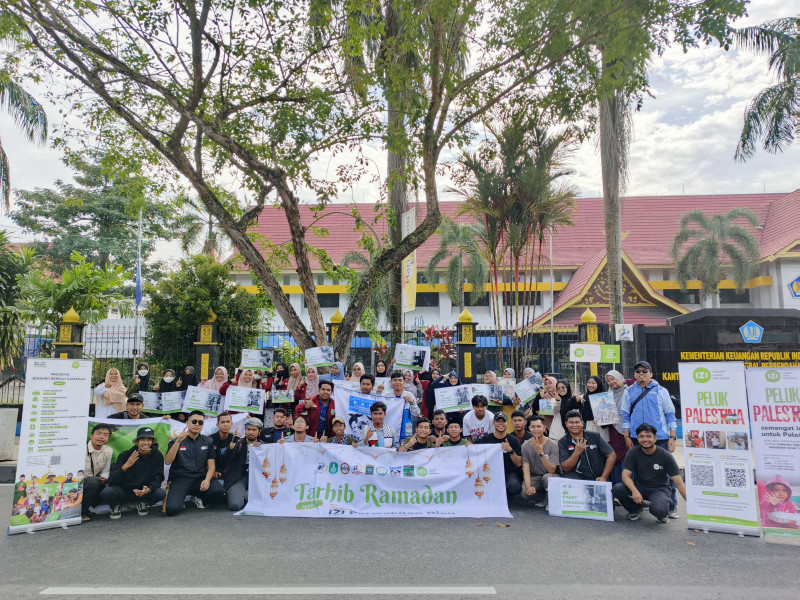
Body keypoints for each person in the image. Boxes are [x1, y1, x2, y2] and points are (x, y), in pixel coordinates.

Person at [620, 360, 678, 517]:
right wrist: (627, 435)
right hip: (637, 437)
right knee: (637, 471)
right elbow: (625, 415)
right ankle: (638, 503)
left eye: (644, 371)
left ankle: (672, 503)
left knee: (666, 471)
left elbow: (670, 414)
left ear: (651, 374)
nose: (641, 374)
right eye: (638, 371)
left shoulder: (661, 391)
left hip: (660, 437)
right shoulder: (629, 392)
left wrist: (673, 436)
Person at [612, 424, 686, 523]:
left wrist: (691, 504)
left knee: (660, 510)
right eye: (641, 436)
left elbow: (679, 483)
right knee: (617, 488)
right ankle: (636, 509)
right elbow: (625, 476)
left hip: (659, 489)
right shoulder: (632, 453)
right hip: (640, 487)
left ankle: (658, 507)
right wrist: (634, 491)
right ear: (637, 439)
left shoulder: (665, 455)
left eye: (648, 436)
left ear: (655, 439)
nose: (645, 439)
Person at [163, 410, 225, 516]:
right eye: (194, 421)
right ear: (187, 423)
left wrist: (207, 480)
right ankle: (180, 497)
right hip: (180, 480)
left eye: (200, 422)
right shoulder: (176, 441)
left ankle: (197, 496)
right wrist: (178, 442)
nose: (197, 424)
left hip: (199, 479)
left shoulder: (208, 441)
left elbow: (211, 466)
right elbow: (167, 461)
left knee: (219, 492)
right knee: (172, 510)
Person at [100, 426, 166, 519]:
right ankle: (116, 504)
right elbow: (111, 481)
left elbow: (158, 477)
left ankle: (142, 502)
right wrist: (124, 467)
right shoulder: (125, 455)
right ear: (137, 441)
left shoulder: (157, 455)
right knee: (106, 492)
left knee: (160, 493)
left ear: (152, 442)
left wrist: (148, 489)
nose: (146, 442)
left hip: (143, 491)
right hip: (124, 491)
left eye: (149, 439)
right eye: (142, 439)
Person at [475, 412, 523, 498]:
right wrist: (467, 446)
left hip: (508, 473)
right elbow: (474, 452)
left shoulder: (513, 440)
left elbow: (518, 463)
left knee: (515, 486)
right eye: (498, 421)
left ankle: (508, 497)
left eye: (503, 421)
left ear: (507, 423)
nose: (501, 424)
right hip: (489, 473)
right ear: (493, 423)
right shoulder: (485, 439)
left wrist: (510, 450)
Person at [559, 409, 615, 481]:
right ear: (566, 424)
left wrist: (604, 477)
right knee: (567, 478)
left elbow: (612, 455)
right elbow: (565, 468)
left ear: (582, 423)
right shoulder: (562, 441)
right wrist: (576, 453)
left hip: (597, 477)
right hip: (577, 477)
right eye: (571, 422)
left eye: (577, 422)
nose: (574, 425)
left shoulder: (595, 436)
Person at [221, 417, 263, 511]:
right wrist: (230, 450)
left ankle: (248, 494)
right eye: (248, 429)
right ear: (245, 430)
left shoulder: (263, 446)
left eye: (254, 430)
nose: (251, 432)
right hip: (239, 477)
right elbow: (224, 461)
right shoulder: (238, 444)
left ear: (259, 431)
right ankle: (244, 494)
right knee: (235, 505)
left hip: (257, 478)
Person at [520, 415, 560, 508]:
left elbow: (552, 470)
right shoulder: (525, 445)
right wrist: (529, 487)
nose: (536, 429)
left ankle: (552, 500)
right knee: (525, 494)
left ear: (544, 428)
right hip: (535, 477)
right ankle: (541, 496)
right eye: (533, 427)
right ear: (529, 428)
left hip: (550, 475)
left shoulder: (553, 444)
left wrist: (540, 453)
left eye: (539, 426)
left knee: (547, 478)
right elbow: (526, 469)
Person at [82, 423, 113, 522]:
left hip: (93, 482)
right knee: (93, 482)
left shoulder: (108, 451)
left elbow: (106, 471)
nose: (101, 437)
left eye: (105, 435)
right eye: (98, 433)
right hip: (79, 482)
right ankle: (82, 512)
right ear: (91, 436)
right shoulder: (81, 449)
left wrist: (104, 478)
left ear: (108, 438)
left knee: (110, 482)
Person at [605, 369, 629, 485]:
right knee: (614, 455)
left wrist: (623, 382)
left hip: (626, 428)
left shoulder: (628, 391)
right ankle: (616, 485)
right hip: (613, 429)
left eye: (613, 379)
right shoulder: (608, 395)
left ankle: (626, 485)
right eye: (608, 381)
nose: (611, 382)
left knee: (626, 456)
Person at [210, 412, 240, 480]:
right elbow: (206, 461)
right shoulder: (210, 440)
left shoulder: (235, 439)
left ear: (231, 424)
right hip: (214, 475)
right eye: (222, 422)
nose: (225, 424)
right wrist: (213, 471)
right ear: (217, 425)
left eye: (228, 422)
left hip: (230, 475)